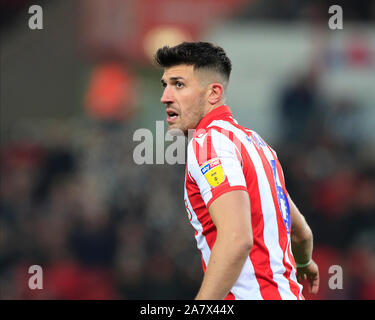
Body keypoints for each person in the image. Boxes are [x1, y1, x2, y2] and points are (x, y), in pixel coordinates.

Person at [155, 42, 319, 300]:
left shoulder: (208, 143)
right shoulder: (257, 144)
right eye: (164, 85)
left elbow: (237, 239)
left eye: (178, 84)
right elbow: (301, 233)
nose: (165, 97)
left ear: (213, 93)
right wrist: (304, 263)